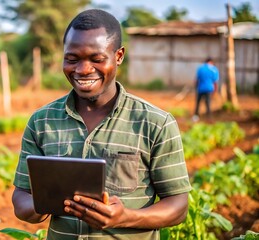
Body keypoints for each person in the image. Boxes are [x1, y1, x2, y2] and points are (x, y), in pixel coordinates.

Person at [12, 9, 191, 239]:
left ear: (118, 56)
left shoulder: (155, 123)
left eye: (96, 59)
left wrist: (125, 217)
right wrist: (43, 204)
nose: (83, 70)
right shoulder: (42, 121)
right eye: (72, 59)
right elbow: (21, 196)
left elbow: (178, 205)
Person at [193, 57, 219, 121]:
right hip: (209, 89)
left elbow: (197, 80)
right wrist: (215, 91)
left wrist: (195, 88)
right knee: (208, 103)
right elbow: (215, 82)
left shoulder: (201, 68)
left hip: (200, 89)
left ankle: (196, 116)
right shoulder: (213, 69)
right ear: (211, 62)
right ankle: (208, 117)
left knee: (198, 103)